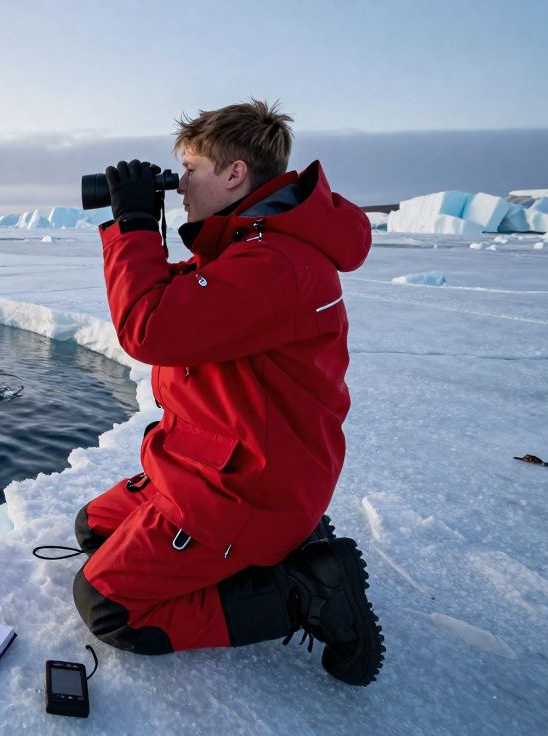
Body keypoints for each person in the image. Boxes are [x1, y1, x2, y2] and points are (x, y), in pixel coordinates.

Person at [71, 99, 385, 685]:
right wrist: (148, 229)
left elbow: (151, 329)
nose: (180, 185)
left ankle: (302, 590)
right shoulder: (250, 245)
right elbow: (179, 306)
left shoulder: (273, 263)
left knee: (107, 604)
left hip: (246, 488)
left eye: (190, 169)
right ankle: (266, 554)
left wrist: (134, 225)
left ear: (235, 174)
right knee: (94, 527)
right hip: (209, 460)